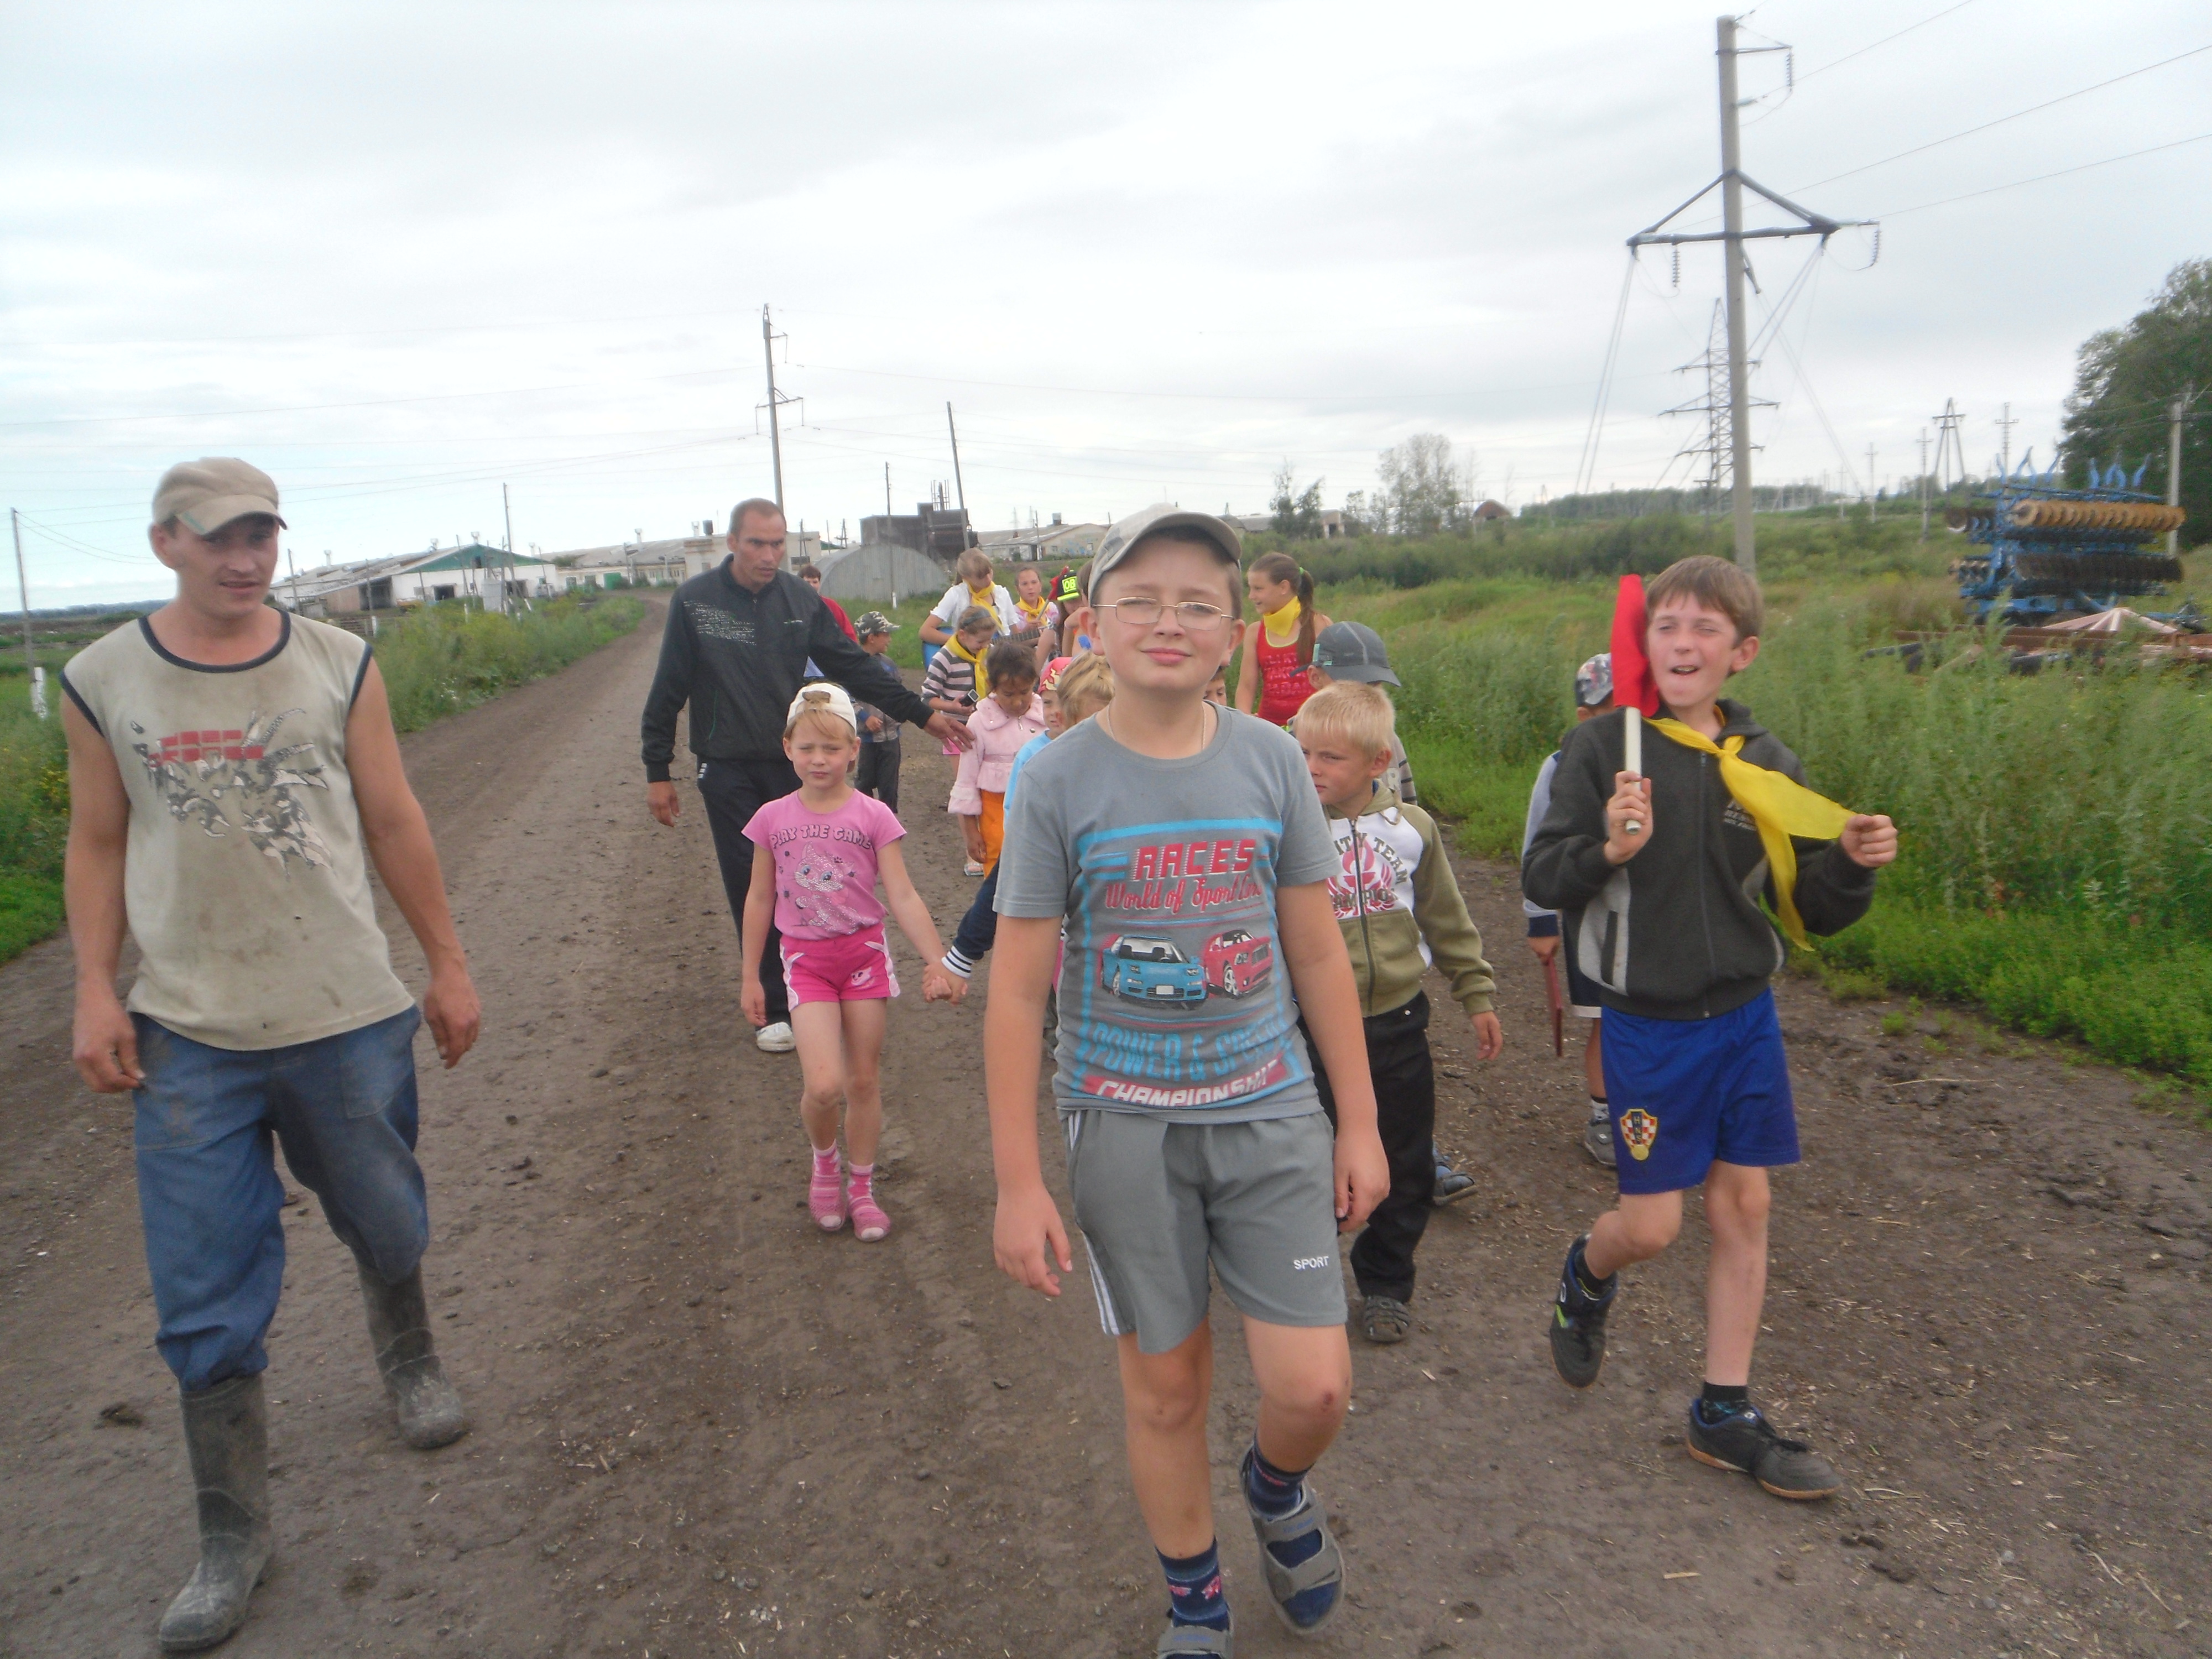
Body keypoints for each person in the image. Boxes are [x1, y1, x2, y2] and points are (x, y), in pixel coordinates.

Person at [62, 459, 485, 1651]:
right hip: (187, 1028)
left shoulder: (338, 662)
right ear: (166, 543)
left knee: (385, 1216)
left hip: (345, 1013)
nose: (245, 559)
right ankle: (231, 1533)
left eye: (261, 536)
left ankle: (410, 1357)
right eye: (219, 539)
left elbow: (393, 816)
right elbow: (98, 841)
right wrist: (93, 988)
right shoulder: (103, 680)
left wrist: (447, 963)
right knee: (201, 1282)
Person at [987, 505, 1389, 1652]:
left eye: (1198, 603)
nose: (1169, 621)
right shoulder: (1056, 779)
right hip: (1122, 1123)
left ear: (1234, 633)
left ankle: (1273, 1486)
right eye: (1141, 599)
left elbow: (1316, 952)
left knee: (1313, 1387)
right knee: (1165, 1388)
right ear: (1094, 624)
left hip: (1268, 1109)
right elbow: (1017, 989)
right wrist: (1018, 1182)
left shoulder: (1271, 760)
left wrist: (1357, 1122)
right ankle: (1195, 1596)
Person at [1524, 554, 1897, 1501]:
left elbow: (1811, 907)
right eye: (1668, 626)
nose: (1683, 642)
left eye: (1706, 629)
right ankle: (1587, 1273)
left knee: (1745, 1208)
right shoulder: (1603, 748)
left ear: (1743, 653)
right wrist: (1608, 847)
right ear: (1644, 641)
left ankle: (1722, 1411)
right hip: (1648, 1025)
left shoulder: (1767, 763)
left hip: (1743, 1016)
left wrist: (1852, 866)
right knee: (1652, 1228)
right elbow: (1544, 874)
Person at [642, 498, 968, 1055]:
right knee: (752, 882)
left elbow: (852, 664)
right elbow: (669, 683)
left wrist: (920, 714)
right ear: (732, 543)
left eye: (778, 544)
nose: (769, 555)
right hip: (725, 764)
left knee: (808, 876)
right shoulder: (695, 602)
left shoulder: (799, 601)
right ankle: (773, 1006)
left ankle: (815, 981)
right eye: (757, 544)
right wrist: (657, 769)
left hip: (789, 762)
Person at [1295, 681, 1501, 1346]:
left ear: (1378, 762)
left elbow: (1445, 917)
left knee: (1405, 1161)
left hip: (1399, 1022)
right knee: (1310, 1158)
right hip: (1309, 1029)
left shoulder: (1412, 830)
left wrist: (1475, 991)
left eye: (1329, 758)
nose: (1311, 769)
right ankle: (1306, 1278)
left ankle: (1386, 1284)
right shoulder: (1288, 829)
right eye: (1303, 753)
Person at [740, 685, 959, 1242]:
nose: (820, 760)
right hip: (806, 962)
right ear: (788, 748)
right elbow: (759, 898)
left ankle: (861, 1188)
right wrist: (750, 977)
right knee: (823, 1086)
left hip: (863, 959)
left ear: (854, 750)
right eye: (808, 748)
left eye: (832, 749)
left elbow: (902, 894)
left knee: (863, 1080)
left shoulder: (873, 815)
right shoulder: (771, 818)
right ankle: (824, 1166)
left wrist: (937, 960)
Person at [1300, 620, 1477, 1204]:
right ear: (1317, 679)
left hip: (1398, 1010)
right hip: (1313, 1012)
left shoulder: (1395, 783)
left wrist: (1474, 988)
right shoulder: (1293, 792)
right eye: (1357, 683)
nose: (1368, 694)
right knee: (1316, 1141)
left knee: (1404, 1123)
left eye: (1377, 685)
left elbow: (1432, 892)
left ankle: (1416, 1172)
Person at [940, 653, 1114, 987]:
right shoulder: (1041, 763)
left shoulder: (1120, 765)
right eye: (1088, 723)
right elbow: (1013, 825)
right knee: (1006, 893)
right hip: (1027, 844)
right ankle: (968, 958)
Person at [1524, 653, 1617, 1166]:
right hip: (1591, 919)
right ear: (1585, 717)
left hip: (1652, 920)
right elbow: (1538, 846)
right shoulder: (1561, 767)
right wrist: (1540, 918)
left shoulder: (1660, 760)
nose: (1623, 719)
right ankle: (1605, 1115)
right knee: (1609, 1022)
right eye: (1610, 709)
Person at [948, 641, 1047, 877]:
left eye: (1025, 692)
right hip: (995, 816)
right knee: (998, 878)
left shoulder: (1046, 717)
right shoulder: (979, 722)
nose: (1018, 702)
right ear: (992, 686)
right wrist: (971, 832)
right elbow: (966, 780)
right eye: (1008, 694)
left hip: (1042, 814)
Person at [920, 605, 999, 873]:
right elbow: (927, 698)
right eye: (980, 642)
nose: (984, 646)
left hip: (987, 729)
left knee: (988, 788)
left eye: (988, 641)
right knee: (967, 790)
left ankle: (993, 845)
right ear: (962, 635)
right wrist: (952, 707)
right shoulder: (943, 658)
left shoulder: (988, 654)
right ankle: (972, 853)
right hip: (957, 731)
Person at [1233, 550, 1329, 726]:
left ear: (1284, 587)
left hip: (1312, 727)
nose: (1251, 596)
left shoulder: (1318, 624)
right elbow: (1246, 686)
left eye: (1258, 589)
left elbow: (1333, 680)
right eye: (1250, 588)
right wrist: (1245, 721)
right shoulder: (1255, 632)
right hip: (1270, 728)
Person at [850, 611, 905, 816]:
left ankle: (889, 825)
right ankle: (863, 824)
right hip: (867, 740)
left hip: (891, 738)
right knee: (864, 785)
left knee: (889, 788)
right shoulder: (854, 666)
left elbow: (900, 694)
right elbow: (847, 698)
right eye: (886, 634)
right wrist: (865, 717)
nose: (889, 639)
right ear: (872, 637)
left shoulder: (889, 665)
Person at [918, 547, 1014, 649]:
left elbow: (1015, 632)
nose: (989, 579)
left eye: (989, 572)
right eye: (981, 577)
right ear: (966, 577)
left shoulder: (1002, 593)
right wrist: (961, 643)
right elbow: (925, 632)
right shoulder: (956, 594)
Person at [1006, 564, 1060, 665]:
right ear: (1017, 589)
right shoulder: (1013, 613)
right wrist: (1026, 632)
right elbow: (1011, 645)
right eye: (1025, 584)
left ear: (1040, 586)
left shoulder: (1051, 608)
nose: (1030, 587)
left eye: (1034, 582)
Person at [795, 561, 857, 641]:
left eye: (815, 582)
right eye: (807, 582)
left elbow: (849, 633)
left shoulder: (830, 605)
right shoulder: (793, 606)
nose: (811, 585)